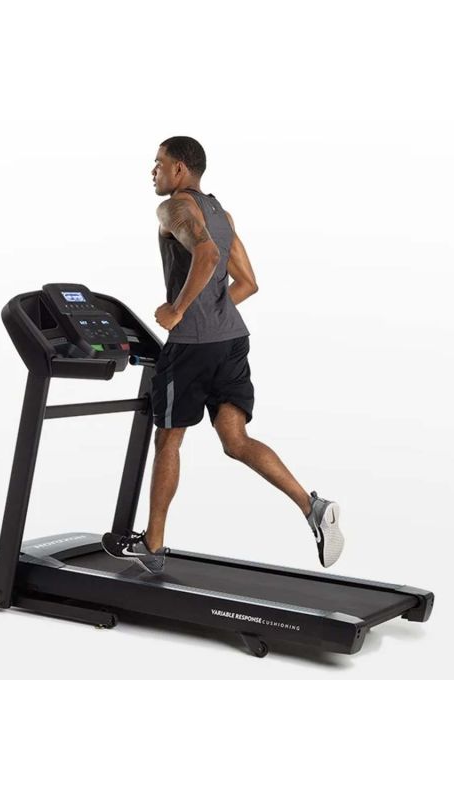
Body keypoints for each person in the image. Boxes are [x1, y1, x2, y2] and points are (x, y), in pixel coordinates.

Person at [102, 136, 344, 574]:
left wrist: (179, 311)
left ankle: (153, 544)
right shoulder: (221, 213)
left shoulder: (173, 208)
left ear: (179, 169)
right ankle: (312, 506)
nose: (152, 171)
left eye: (158, 163)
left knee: (169, 439)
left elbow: (208, 253)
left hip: (191, 348)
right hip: (231, 341)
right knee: (236, 441)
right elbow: (248, 282)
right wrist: (213, 315)